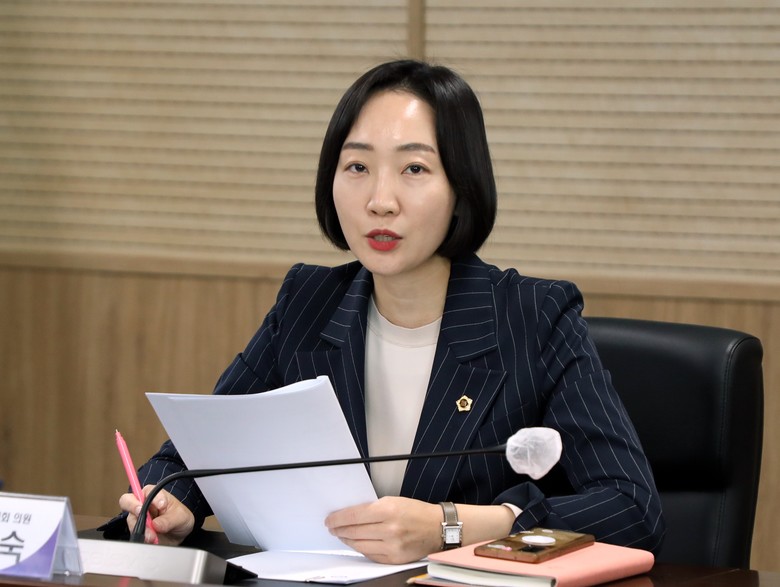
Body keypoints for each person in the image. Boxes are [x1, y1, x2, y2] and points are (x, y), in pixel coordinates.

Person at [115, 59, 665, 563]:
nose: (380, 200)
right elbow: (200, 451)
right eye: (357, 166)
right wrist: (170, 502)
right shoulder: (309, 302)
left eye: (414, 170)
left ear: (462, 186)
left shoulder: (533, 317)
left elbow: (631, 508)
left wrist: (456, 525)